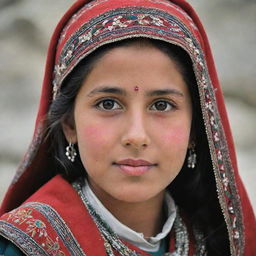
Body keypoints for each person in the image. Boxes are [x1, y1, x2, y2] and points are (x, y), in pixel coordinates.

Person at [0, 0, 255, 255]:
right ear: (69, 124)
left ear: (196, 129)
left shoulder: (217, 241)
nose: (136, 136)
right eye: (108, 104)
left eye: (162, 106)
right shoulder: (25, 247)